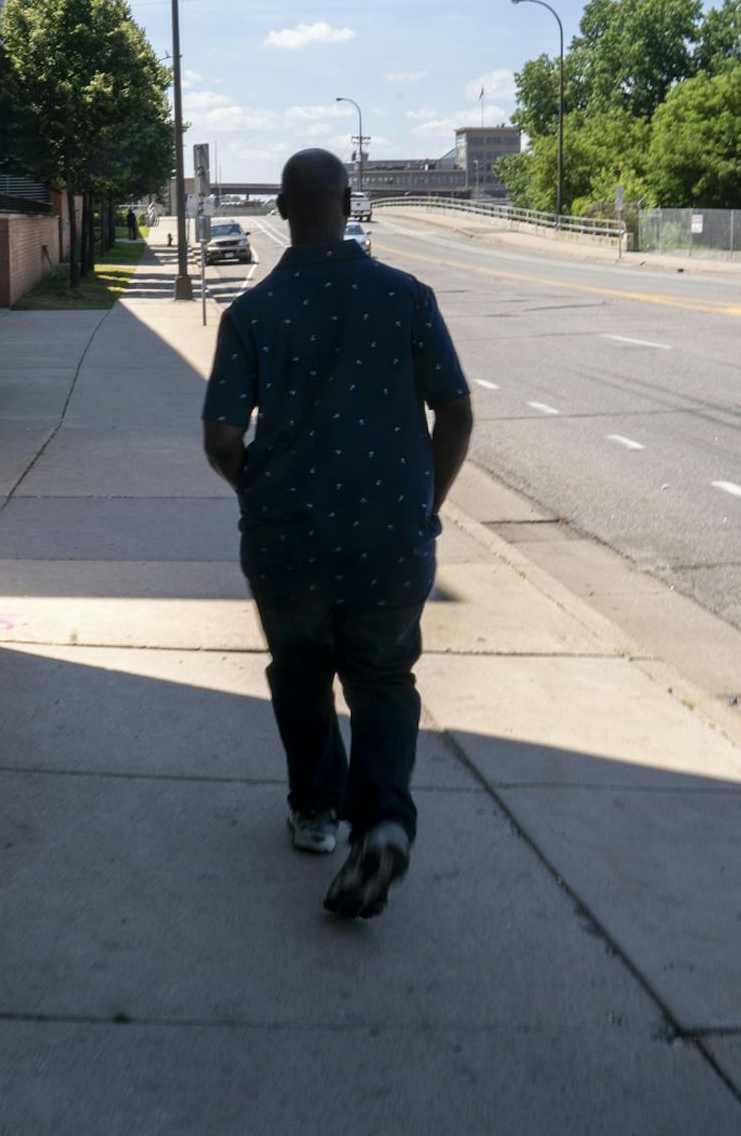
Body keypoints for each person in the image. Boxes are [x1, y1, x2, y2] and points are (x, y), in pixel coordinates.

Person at [201, 148, 474, 920]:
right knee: (383, 679)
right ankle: (383, 821)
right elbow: (455, 411)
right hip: (391, 537)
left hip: (288, 540)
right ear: (348, 204)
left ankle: (317, 812)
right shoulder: (406, 297)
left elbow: (221, 438)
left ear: (283, 212)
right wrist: (429, 504)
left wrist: (256, 489)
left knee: (299, 671)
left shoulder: (250, 315)